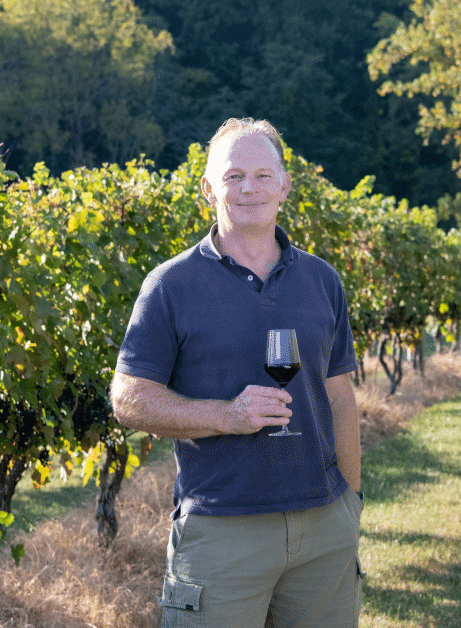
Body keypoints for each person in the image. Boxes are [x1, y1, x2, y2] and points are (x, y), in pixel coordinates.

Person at [110, 118, 363, 628]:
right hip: (222, 532)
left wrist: (350, 506)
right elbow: (128, 399)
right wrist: (227, 415)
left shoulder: (321, 279)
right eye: (233, 176)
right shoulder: (170, 285)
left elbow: (339, 397)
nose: (249, 187)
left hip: (323, 529)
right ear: (208, 187)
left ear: (285, 186)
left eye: (264, 175)